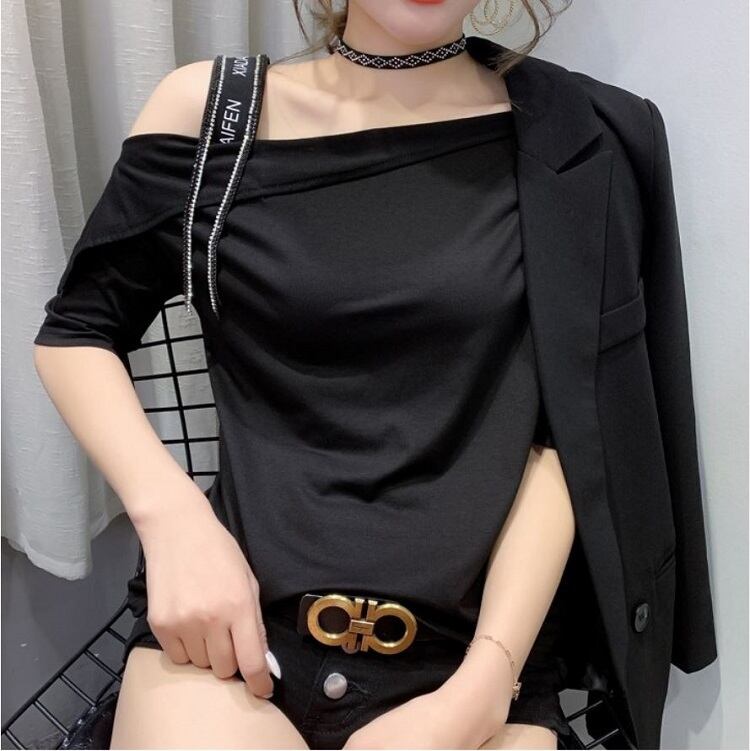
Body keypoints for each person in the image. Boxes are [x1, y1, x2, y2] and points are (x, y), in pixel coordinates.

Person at [32, 1, 716, 749]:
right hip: (240, 628)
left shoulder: (578, 136)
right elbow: (79, 331)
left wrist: (487, 680)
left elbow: (574, 435)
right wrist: (172, 521)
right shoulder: (214, 117)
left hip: (477, 644)